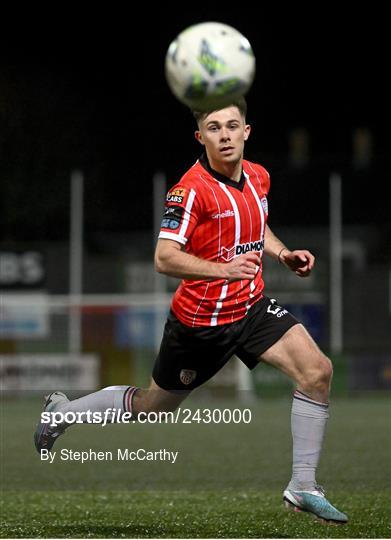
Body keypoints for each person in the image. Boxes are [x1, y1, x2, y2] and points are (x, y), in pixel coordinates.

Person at [34, 97, 348, 524]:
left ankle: (303, 486)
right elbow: (164, 258)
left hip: (251, 307)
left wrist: (282, 253)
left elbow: (256, 225)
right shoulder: (189, 189)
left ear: (246, 132)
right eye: (214, 128)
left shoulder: (258, 176)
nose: (225, 135)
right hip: (199, 325)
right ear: (201, 138)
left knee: (317, 372)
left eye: (232, 126)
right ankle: (62, 413)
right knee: (152, 406)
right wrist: (223, 270)